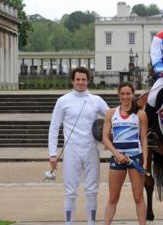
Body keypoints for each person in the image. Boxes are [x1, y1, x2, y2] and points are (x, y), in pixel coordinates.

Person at [48, 67, 109, 225]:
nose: (81, 82)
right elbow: (54, 127)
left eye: (83, 79)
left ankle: (91, 223)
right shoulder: (63, 101)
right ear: (72, 80)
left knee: (92, 191)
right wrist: (52, 154)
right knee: (70, 191)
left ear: (88, 80)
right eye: (78, 79)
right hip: (71, 151)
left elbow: (111, 117)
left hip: (91, 150)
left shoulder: (96, 100)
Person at [102, 82, 148, 225]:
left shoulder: (140, 114)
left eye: (128, 94)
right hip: (117, 159)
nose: (125, 96)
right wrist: (116, 153)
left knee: (138, 197)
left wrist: (145, 161)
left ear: (133, 95)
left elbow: (144, 138)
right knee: (113, 198)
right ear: (119, 95)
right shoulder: (111, 113)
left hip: (135, 158)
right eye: (122, 94)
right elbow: (105, 137)